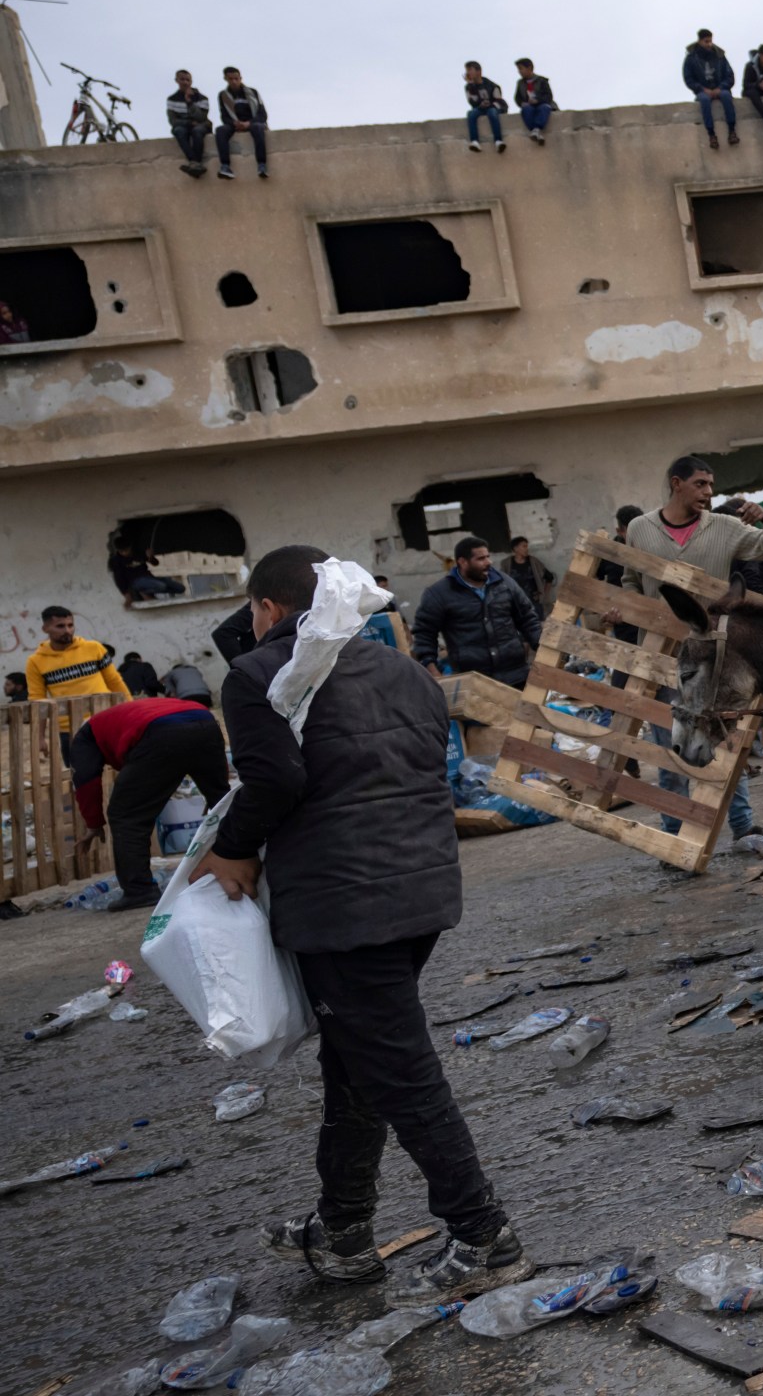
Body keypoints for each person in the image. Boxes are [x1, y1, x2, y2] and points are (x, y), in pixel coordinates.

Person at [211, 548, 528, 1300]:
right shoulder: (403, 671)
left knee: (401, 1073)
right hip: (419, 894)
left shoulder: (258, 678)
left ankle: (485, 1234)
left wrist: (230, 851)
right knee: (356, 1065)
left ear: (266, 608)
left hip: (344, 904)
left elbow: (277, 779)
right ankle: (344, 1228)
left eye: (255, 609)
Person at [618, 456, 763, 843]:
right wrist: (627, 608)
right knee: (670, 749)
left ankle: (742, 827)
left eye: (711, 485)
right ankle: (674, 833)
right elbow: (630, 578)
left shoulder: (725, 527)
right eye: (701, 484)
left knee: (725, 745)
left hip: (716, 660)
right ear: (677, 483)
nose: (709, 493)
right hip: (663, 657)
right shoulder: (641, 529)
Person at [72, 694, 229, 911]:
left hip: (159, 731)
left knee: (126, 816)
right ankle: (251, 859)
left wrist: (93, 823)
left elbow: (85, 779)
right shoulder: (120, 716)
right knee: (223, 802)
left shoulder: (85, 737)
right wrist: (211, 786)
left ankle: (140, 890)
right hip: (204, 719)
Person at [410, 537, 544, 687]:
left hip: (517, 675)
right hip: (473, 682)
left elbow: (527, 619)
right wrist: (434, 674)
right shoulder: (439, 594)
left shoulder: (505, 583)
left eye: (488, 557)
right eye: (481, 558)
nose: (488, 562)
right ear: (462, 562)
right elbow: (424, 634)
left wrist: (545, 652)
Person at [25, 607, 130, 699]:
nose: (67, 630)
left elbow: (114, 681)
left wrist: (131, 708)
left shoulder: (94, 647)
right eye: (60, 626)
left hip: (104, 714)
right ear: (45, 629)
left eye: (70, 625)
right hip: (67, 721)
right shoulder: (35, 661)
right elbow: (37, 697)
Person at [683, 30, 737, 149]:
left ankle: (732, 131)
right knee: (704, 101)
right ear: (700, 41)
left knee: (727, 97)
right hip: (703, 91)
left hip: (720, 88)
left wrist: (720, 87)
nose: (709, 44)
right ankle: (711, 134)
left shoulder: (719, 55)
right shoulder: (691, 58)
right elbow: (688, 79)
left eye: (710, 41)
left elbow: (729, 76)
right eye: (706, 41)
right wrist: (702, 89)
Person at [214, 68, 269, 179]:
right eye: (231, 79)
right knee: (220, 131)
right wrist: (234, 123)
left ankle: (262, 165)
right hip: (235, 124)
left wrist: (249, 123)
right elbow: (224, 116)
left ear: (240, 78)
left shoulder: (252, 92)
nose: (234, 81)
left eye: (236, 78)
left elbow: (262, 115)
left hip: (253, 122)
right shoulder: (223, 95)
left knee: (258, 128)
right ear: (225, 79)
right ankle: (225, 166)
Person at [111, 531, 189, 603]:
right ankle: (143, 592)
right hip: (136, 582)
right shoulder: (117, 560)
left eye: (126, 550)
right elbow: (119, 579)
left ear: (130, 547)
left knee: (180, 588)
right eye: (122, 551)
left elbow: (155, 563)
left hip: (150, 578)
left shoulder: (138, 553)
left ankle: (146, 591)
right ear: (118, 550)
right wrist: (127, 596)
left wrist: (151, 557)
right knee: (161, 586)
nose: (124, 553)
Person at [166, 69, 211, 177]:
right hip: (185, 126)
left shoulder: (202, 98)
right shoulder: (172, 99)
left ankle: (195, 163)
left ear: (191, 82)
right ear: (176, 80)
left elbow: (201, 118)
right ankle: (195, 162)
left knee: (197, 131)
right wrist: (189, 123)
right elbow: (173, 121)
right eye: (182, 79)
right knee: (178, 131)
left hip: (202, 126)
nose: (185, 82)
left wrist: (190, 103)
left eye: (187, 80)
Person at [461, 61, 508, 152]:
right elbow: (472, 102)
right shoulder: (468, 87)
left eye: (470, 70)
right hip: (480, 108)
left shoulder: (492, 85)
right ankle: (475, 141)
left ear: (479, 71)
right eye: (467, 70)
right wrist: (471, 85)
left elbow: (498, 100)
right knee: (471, 114)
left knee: (492, 113)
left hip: (494, 107)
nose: (468, 73)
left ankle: (498, 141)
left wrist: (490, 104)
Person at [500, 536, 553, 611]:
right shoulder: (506, 563)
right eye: (524, 546)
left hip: (534, 602)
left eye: (527, 546)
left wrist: (543, 594)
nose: (527, 549)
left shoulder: (533, 562)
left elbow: (549, 577)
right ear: (515, 548)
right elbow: (501, 582)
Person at [511, 59, 555, 146]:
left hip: (542, 104)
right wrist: (522, 103)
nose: (519, 71)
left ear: (529, 68)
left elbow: (548, 96)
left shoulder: (542, 80)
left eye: (521, 68)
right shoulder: (520, 83)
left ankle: (537, 130)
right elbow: (517, 98)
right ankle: (535, 131)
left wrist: (537, 100)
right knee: (526, 110)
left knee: (544, 108)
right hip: (529, 105)